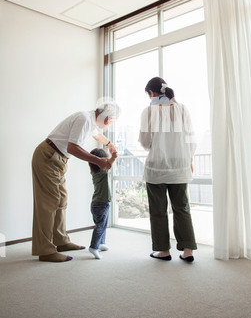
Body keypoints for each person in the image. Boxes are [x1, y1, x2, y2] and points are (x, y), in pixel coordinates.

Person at [31, 101, 120, 263]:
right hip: (48, 156)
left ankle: (61, 241)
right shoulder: (84, 119)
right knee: (48, 203)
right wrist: (99, 160)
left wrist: (110, 144)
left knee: (61, 200)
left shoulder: (90, 121)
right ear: (107, 120)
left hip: (58, 159)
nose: (107, 126)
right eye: (111, 123)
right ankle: (45, 250)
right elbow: (73, 147)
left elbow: (97, 135)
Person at [139, 77, 197, 262]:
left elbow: (146, 142)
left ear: (152, 93)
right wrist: (189, 158)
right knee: (182, 208)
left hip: (157, 166)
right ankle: (188, 250)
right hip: (180, 165)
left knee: (158, 210)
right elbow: (191, 139)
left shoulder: (148, 111)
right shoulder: (183, 109)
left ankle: (163, 251)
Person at [88, 148, 117, 259]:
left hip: (98, 204)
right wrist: (113, 156)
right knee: (100, 226)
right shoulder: (101, 171)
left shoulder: (94, 171)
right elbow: (108, 163)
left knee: (103, 225)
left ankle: (101, 243)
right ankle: (94, 247)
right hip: (100, 204)